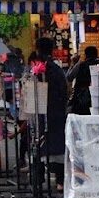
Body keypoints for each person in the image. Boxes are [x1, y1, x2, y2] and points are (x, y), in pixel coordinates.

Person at [34, 37, 68, 190]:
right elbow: (64, 91)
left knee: (40, 143)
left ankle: (38, 179)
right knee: (58, 146)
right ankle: (60, 180)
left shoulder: (37, 69)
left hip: (42, 113)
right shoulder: (56, 69)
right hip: (57, 113)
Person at [67, 46, 98, 115]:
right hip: (97, 98)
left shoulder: (81, 65)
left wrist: (73, 63)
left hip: (81, 99)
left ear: (85, 55)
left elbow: (69, 77)